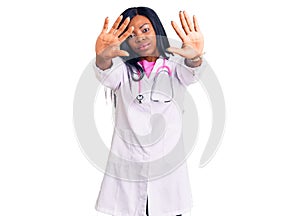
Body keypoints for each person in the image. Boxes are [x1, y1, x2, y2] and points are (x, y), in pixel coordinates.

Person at [93, 6, 208, 216]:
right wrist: (102, 57)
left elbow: (192, 71)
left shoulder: (174, 67)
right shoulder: (122, 71)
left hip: (168, 177)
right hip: (129, 171)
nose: (140, 38)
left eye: (145, 30)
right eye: (131, 35)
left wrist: (195, 57)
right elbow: (105, 71)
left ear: (156, 29)